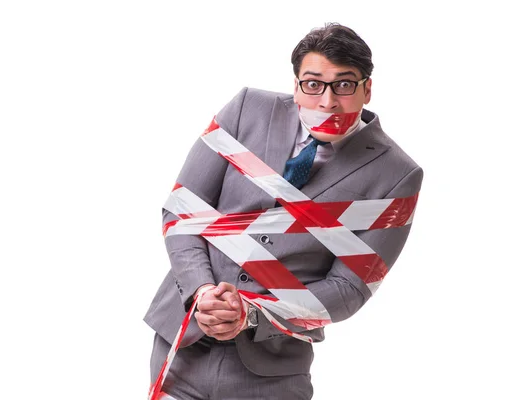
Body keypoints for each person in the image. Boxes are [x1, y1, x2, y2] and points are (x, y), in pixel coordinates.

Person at [144, 23, 423, 399]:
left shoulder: (396, 174)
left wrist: (253, 312)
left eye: (344, 84)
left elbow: (350, 288)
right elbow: (182, 212)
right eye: (313, 84)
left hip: (272, 369)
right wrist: (202, 291)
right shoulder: (247, 109)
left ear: (366, 88)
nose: (327, 102)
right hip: (184, 342)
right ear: (296, 84)